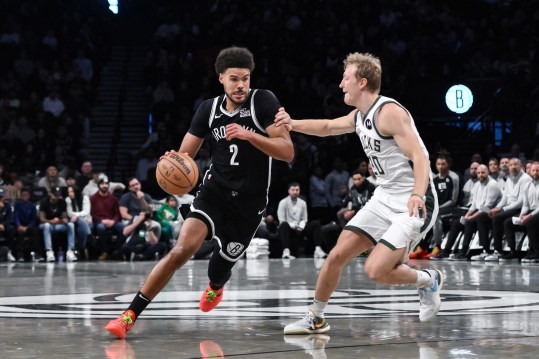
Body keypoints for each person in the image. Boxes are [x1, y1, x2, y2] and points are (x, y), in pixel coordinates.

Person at [105, 46, 294, 339]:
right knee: (181, 250)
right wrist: (174, 162)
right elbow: (185, 154)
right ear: (221, 78)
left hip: (250, 203)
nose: (241, 85)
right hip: (214, 192)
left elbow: (287, 151)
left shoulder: (263, 101)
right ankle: (129, 315)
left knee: (219, 267)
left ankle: (216, 287)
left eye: (245, 78)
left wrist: (249, 134)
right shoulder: (208, 108)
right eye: (234, 79)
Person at [275, 52, 441, 335]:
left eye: (346, 78)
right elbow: (328, 127)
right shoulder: (360, 115)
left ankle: (428, 279)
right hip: (384, 196)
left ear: (362, 82)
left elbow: (421, 157)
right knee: (337, 254)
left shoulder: (389, 112)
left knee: (376, 270)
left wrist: (416, 193)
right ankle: (316, 317)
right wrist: (293, 124)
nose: (341, 84)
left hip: (414, 201)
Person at [443, 165, 501, 260]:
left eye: (483, 172)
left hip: (492, 211)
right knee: (457, 223)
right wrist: (466, 216)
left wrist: (471, 217)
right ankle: (446, 251)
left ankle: (471, 251)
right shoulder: (478, 185)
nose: (480, 175)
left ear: (488, 173)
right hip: (480, 210)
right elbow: (474, 204)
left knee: (472, 221)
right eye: (478, 173)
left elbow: (487, 206)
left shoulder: (492, 184)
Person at [482, 158, 531, 261]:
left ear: (521, 166)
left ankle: (502, 251)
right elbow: (504, 199)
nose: (513, 167)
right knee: (492, 216)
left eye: (515, 165)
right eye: (511, 165)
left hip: (520, 208)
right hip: (509, 208)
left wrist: (502, 210)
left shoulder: (526, 179)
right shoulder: (509, 179)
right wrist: (497, 208)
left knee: (498, 218)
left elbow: (521, 202)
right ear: (509, 167)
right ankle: (494, 250)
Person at [277, 182, 326, 259]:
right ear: (288, 191)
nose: (295, 192)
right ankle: (286, 251)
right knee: (283, 225)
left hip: (300, 228)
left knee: (315, 224)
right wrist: (293, 226)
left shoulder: (303, 203)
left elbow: (304, 218)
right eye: (293, 190)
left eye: (297, 190)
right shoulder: (283, 202)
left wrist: (301, 226)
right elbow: (281, 219)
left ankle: (318, 249)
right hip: (289, 228)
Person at [90, 176, 125, 261]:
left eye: (106, 184)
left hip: (112, 221)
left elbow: (117, 213)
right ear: (99, 185)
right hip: (99, 221)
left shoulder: (113, 198)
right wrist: (102, 221)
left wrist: (113, 221)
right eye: (102, 184)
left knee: (123, 228)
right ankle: (104, 252)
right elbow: (92, 214)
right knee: (101, 228)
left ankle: (118, 251)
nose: (104, 185)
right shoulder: (93, 198)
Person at [38, 186, 77, 262]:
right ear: (50, 194)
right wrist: (50, 221)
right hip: (47, 224)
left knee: (71, 225)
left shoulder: (62, 202)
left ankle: (70, 251)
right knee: (46, 226)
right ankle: (49, 252)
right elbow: (41, 219)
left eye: (58, 195)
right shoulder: (44, 202)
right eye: (55, 195)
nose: (56, 197)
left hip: (58, 224)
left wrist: (63, 220)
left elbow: (64, 217)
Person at [13, 187, 42, 261]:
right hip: (20, 225)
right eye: (23, 195)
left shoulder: (32, 206)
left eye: (26, 195)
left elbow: (33, 219)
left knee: (35, 231)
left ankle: (37, 253)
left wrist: (28, 227)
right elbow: (15, 216)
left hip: (29, 226)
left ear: (29, 196)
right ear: (21, 195)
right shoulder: (17, 204)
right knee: (19, 232)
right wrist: (19, 225)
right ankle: (20, 254)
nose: (24, 197)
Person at [519, 162, 539, 263]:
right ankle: (514, 252)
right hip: (531, 210)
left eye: (537, 170)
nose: (535, 172)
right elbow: (526, 204)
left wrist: (529, 216)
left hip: (537, 210)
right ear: (529, 171)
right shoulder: (526, 185)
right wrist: (521, 215)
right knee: (508, 223)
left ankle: (535, 251)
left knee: (531, 221)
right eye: (533, 170)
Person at [65, 185, 92, 259]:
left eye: (72, 191)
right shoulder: (68, 199)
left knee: (82, 225)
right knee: (80, 223)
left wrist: (76, 215)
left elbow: (86, 212)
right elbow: (69, 213)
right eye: (69, 192)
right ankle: (82, 247)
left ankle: (81, 247)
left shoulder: (85, 198)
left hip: (86, 219)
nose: (70, 193)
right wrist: (76, 216)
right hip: (74, 221)